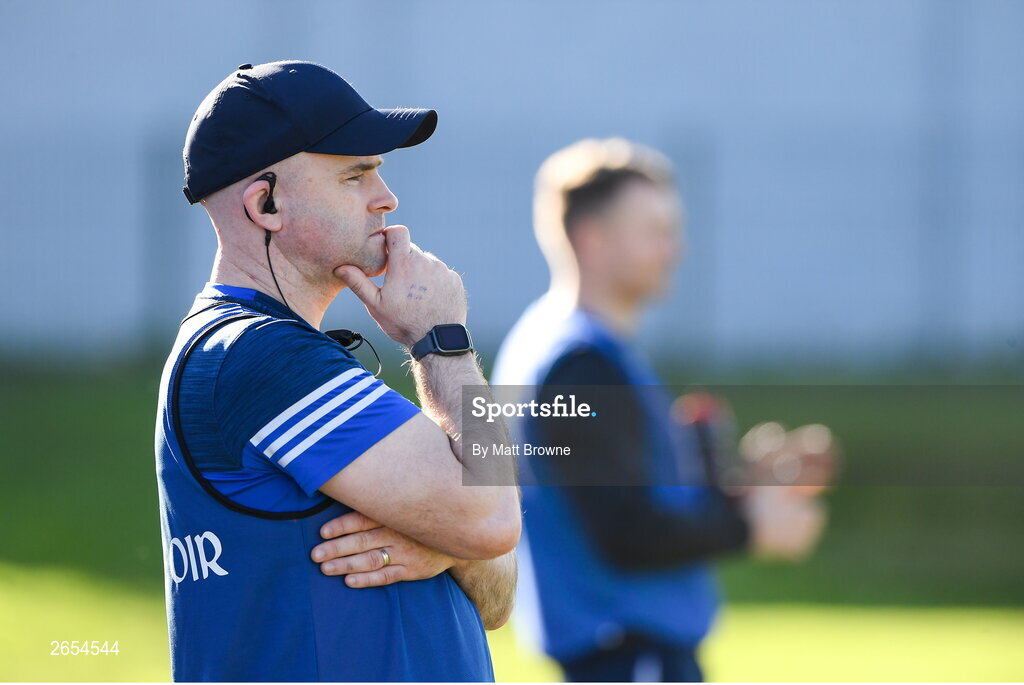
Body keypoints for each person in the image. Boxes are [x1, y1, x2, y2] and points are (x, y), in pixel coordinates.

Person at [155, 60, 520, 682]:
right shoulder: (256, 356)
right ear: (265, 203)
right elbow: (492, 519)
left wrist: (448, 537)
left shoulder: (272, 351)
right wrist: (442, 341)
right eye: (356, 174)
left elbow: (498, 588)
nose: (387, 198)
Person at [491, 138, 833, 682]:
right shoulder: (578, 362)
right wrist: (752, 527)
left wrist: (741, 487)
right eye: (655, 232)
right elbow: (625, 529)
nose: (675, 249)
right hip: (627, 653)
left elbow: (619, 489)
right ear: (593, 240)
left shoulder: (556, 344)